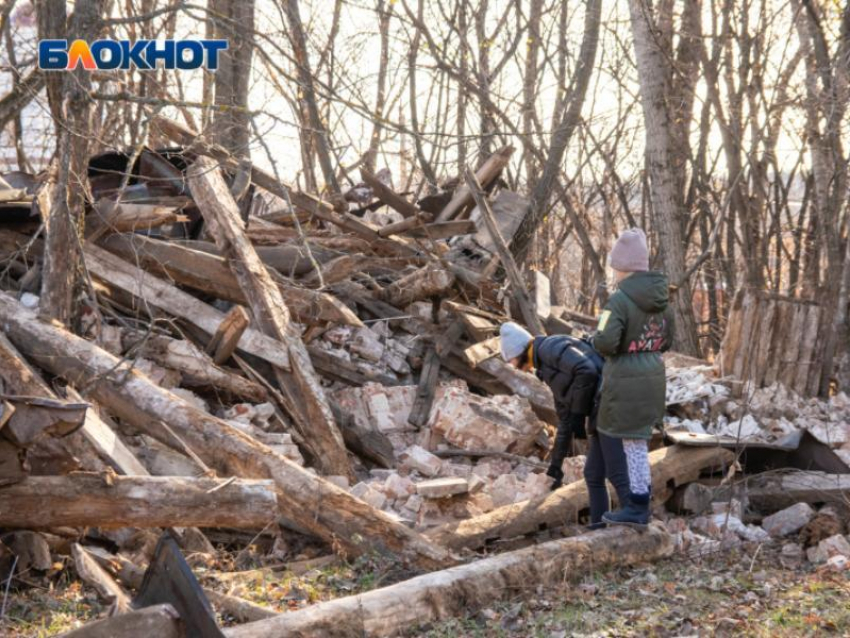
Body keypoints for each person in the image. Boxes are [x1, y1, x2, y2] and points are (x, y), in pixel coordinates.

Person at [588, 228, 673, 529]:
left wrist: (595, 339)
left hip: (624, 381)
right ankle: (641, 502)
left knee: (617, 445)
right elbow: (668, 339)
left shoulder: (618, 302)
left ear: (621, 267)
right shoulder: (664, 300)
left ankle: (632, 507)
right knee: (637, 444)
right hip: (653, 377)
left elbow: (606, 342)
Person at [500, 321, 603, 491]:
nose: (513, 366)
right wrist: (555, 466)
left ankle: (633, 510)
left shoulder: (550, 347)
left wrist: (578, 413)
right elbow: (565, 420)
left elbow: (587, 370)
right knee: (595, 473)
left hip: (611, 403)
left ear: (520, 351)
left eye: (512, 360)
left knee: (610, 468)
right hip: (602, 410)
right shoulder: (544, 369)